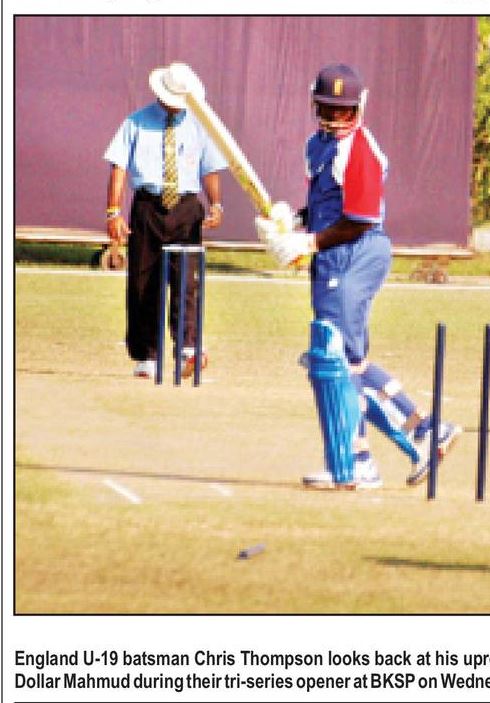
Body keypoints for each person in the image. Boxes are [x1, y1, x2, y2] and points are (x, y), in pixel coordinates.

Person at [255, 63, 461, 490]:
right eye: (328, 109)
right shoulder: (317, 146)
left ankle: (361, 459)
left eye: (344, 111)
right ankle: (425, 431)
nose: (336, 119)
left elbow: (360, 219)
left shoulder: (360, 150)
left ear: (359, 108)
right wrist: (294, 220)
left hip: (357, 252)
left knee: (338, 361)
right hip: (333, 255)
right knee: (348, 361)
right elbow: (328, 205)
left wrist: (309, 242)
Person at [104, 62, 227, 379]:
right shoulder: (136, 122)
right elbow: (119, 167)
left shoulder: (200, 124)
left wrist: (216, 204)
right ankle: (146, 354)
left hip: (186, 208)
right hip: (148, 207)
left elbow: (209, 168)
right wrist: (113, 211)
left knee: (186, 280)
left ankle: (188, 347)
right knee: (143, 281)